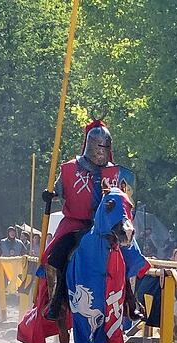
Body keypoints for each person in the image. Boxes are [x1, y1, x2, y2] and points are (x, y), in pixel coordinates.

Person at [40, 119, 135, 320]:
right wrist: (50, 196)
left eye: (105, 146)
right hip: (76, 224)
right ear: (90, 144)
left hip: (109, 226)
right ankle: (56, 300)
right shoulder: (70, 169)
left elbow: (126, 200)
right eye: (98, 145)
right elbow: (58, 190)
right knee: (54, 256)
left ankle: (131, 301)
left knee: (132, 254)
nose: (101, 150)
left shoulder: (117, 173)